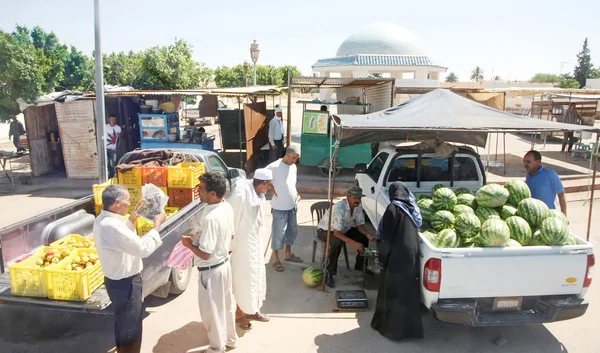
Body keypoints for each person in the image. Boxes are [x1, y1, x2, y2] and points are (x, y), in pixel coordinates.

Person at [93, 185, 166, 353]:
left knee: (123, 324)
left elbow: (122, 239)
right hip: (126, 284)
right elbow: (142, 248)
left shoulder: (104, 220)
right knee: (131, 329)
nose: (129, 204)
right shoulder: (111, 227)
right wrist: (157, 225)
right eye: (127, 201)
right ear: (117, 203)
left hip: (116, 283)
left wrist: (132, 219)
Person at [181, 172, 237, 353]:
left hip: (212, 270)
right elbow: (232, 235)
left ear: (213, 193)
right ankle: (230, 340)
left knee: (212, 311)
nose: (198, 191)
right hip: (223, 265)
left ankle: (216, 347)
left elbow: (205, 254)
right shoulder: (225, 206)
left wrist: (188, 244)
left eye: (201, 189)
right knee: (226, 306)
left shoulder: (211, 218)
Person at [371, 181, 424, 341]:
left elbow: (386, 238)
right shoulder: (413, 208)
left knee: (393, 292)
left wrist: (381, 259)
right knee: (408, 292)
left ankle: (394, 331)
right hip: (412, 255)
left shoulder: (393, 209)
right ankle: (412, 331)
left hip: (396, 257)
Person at [229, 168, 273, 330]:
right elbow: (231, 221)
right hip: (241, 246)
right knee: (243, 280)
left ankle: (253, 309)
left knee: (255, 278)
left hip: (255, 244)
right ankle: (240, 314)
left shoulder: (258, 194)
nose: (269, 188)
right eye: (268, 184)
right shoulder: (241, 195)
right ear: (263, 183)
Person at [316, 186, 374, 288]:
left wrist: (368, 234)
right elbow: (337, 233)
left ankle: (360, 265)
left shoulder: (358, 206)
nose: (357, 200)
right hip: (325, 231)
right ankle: (329, 272)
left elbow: (359, 224)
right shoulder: (339, 208)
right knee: (337, 242)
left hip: (344, 229)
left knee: (363, 238)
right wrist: (354, 243)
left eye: (359, 198)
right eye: (355, 198)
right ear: (348, 197)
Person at [266, 145, 302, 272]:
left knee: (291, 231)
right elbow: (263, 178)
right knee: (278, 233)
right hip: (279, 207)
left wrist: (296, 194)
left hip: (292, 205)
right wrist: (271, 188)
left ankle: (288, 254)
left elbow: (293, 183)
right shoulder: (273, 167)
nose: (294, 161)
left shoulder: (294, 167)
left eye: (296, 159)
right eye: (293, 158)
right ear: (287, 154)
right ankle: (276, 260)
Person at [523, 150, 567, 215]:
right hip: (534, 215)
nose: (525, 164)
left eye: (528, 162)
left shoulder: (551, 174)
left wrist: (564, 215)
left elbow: (561, 195)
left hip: (549, 215)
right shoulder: (528, 176)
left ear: (538, 162)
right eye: (524, 161)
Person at [106, 114, 122, 178]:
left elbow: (119, 138)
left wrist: (117, 147)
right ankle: (107, 176)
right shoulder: (105, 127)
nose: (113, 121)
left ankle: (112, 176)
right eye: (112, 119)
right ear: (109, 119)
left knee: (113, 163)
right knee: (106, 163)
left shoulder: (118, 128)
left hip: (113, 148)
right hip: (106, 148)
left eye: (114, 120)